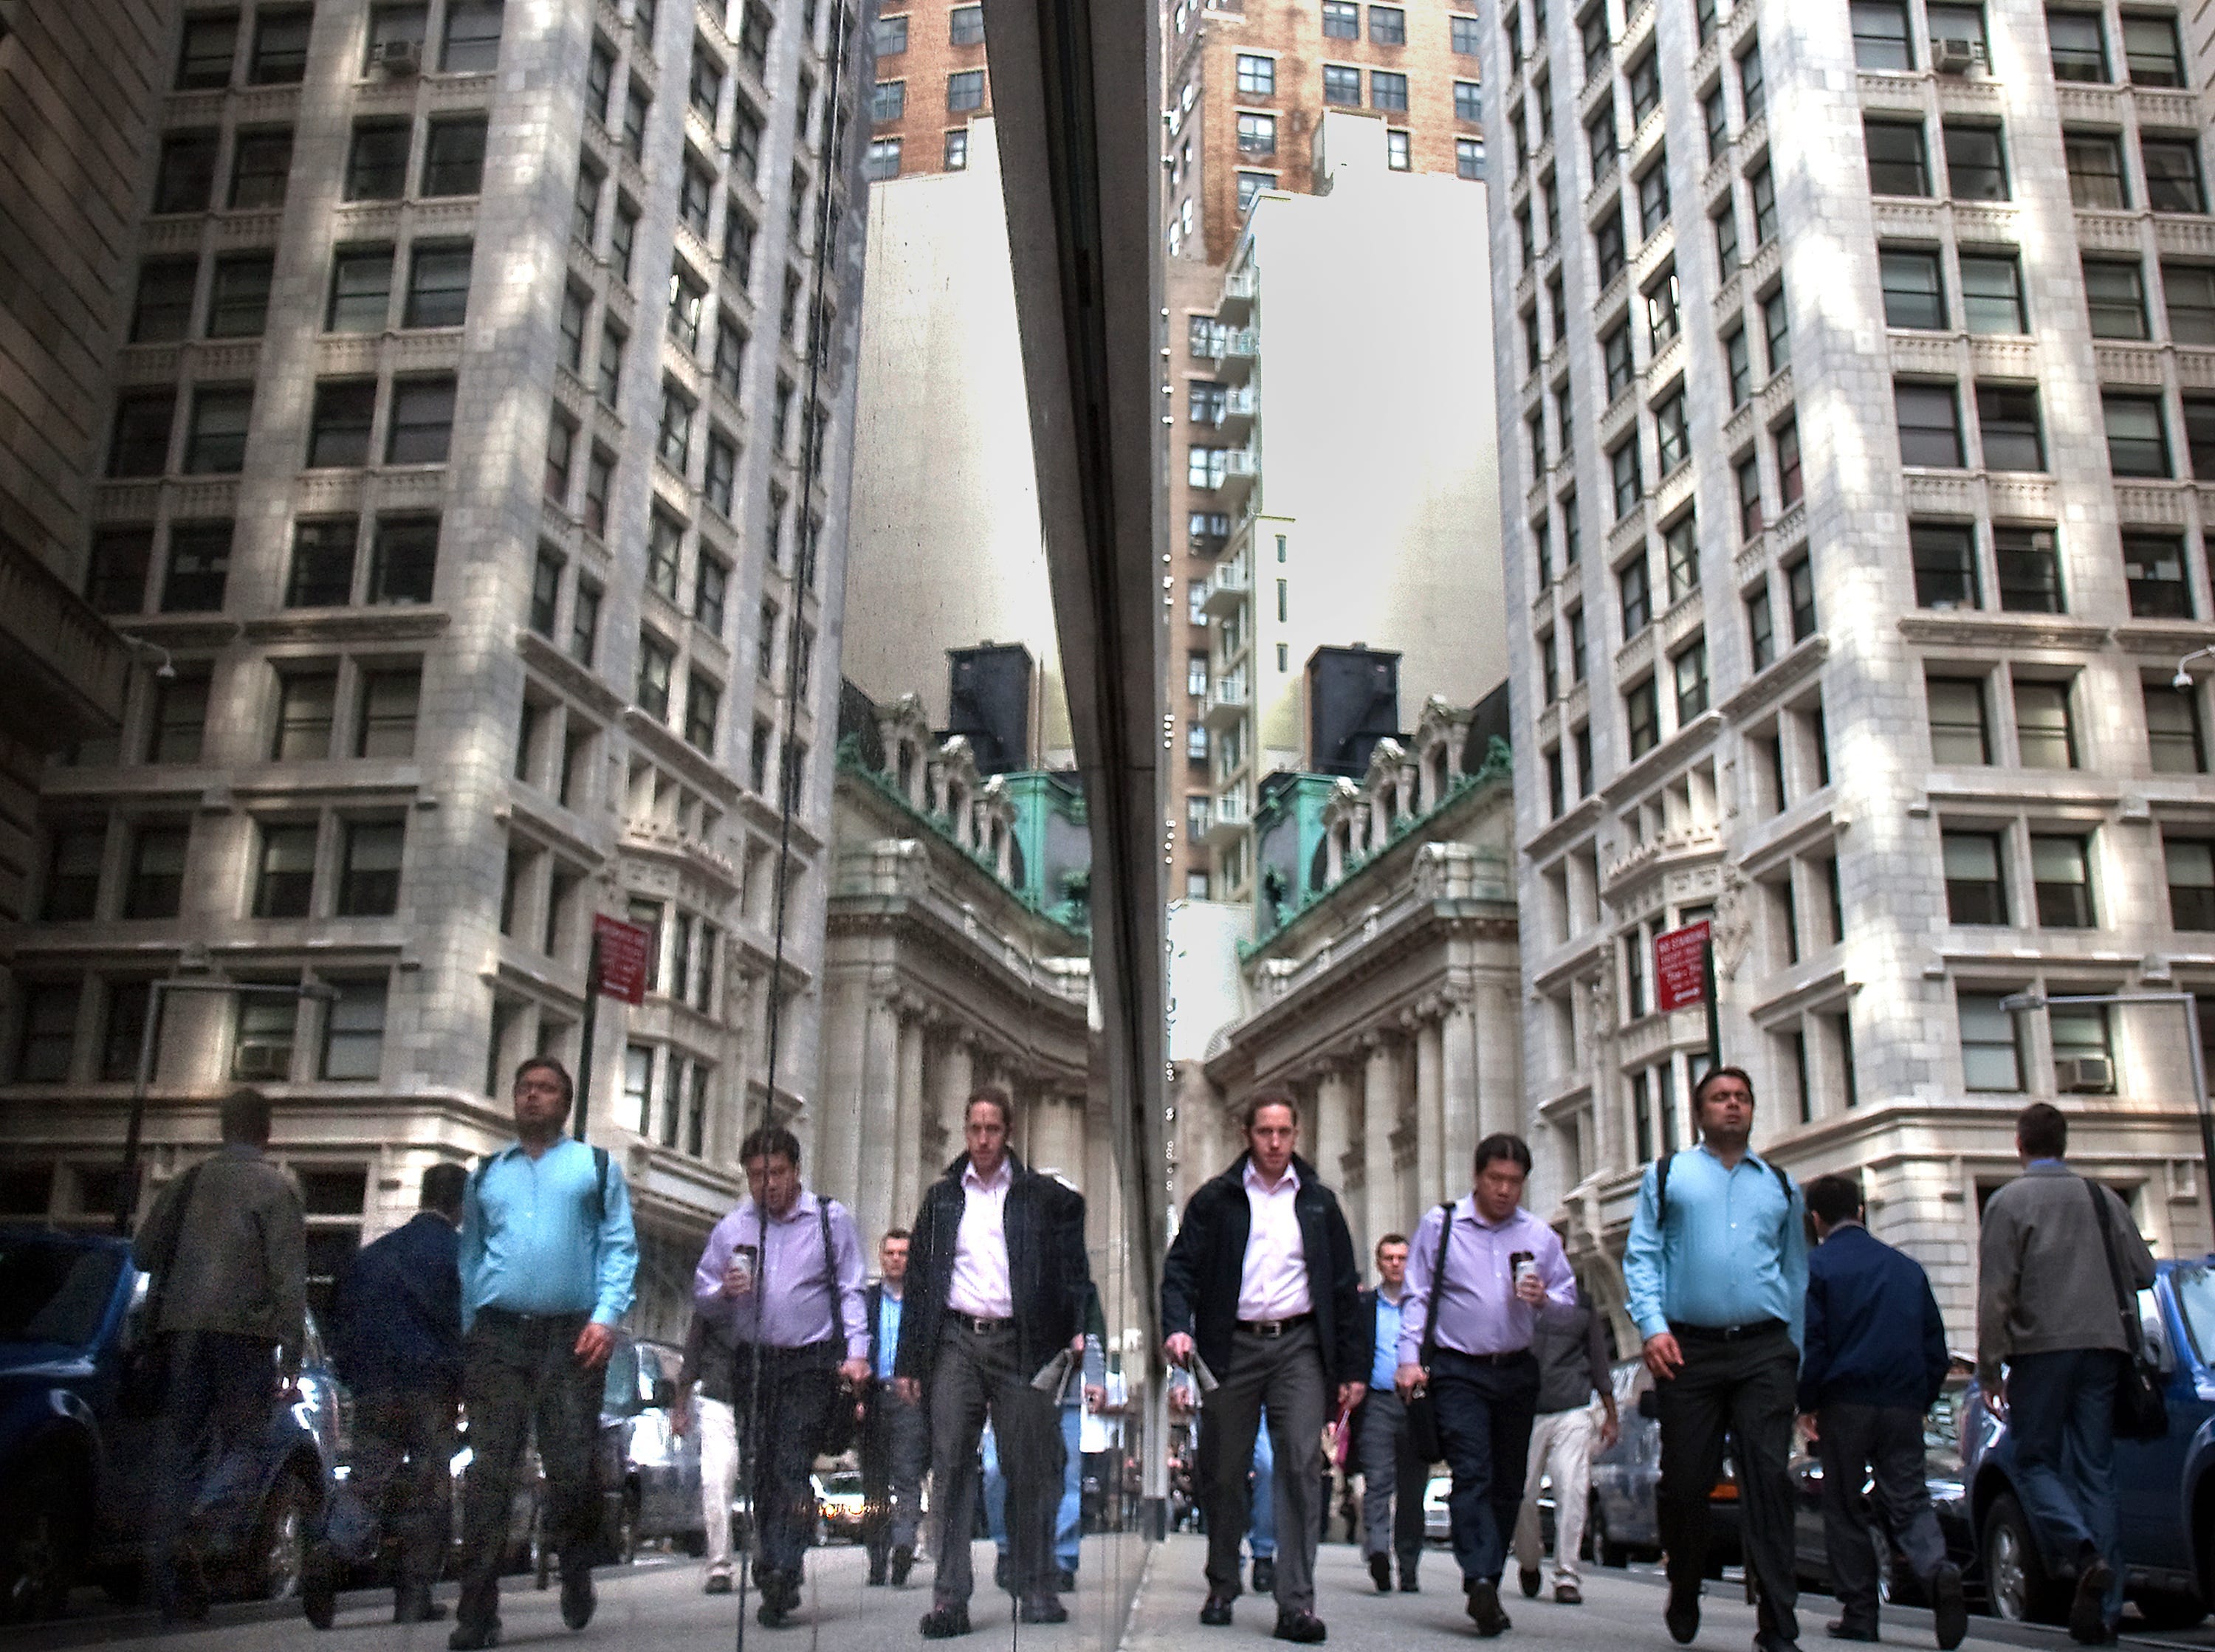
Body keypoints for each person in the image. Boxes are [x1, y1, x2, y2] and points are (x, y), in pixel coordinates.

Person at [1162, 1092, 1364, 1645]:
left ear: (1296, 1135)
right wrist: (1177, 1327)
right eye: (1264, 1132)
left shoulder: (1319, 1204)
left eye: (1284, 1132)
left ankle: (1296, 1602)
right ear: (1247, 1136)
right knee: (1224, 1472)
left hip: (1299, 1346)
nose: (1275, 1142)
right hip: (1231, 1348)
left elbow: (1345, 1291)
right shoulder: (1217, 1201)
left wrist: (1351, 1369)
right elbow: (1179, 1270)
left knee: (1300, 1465)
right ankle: (1223, 1582)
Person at [450, 1057, 638, 1652]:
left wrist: (606, 1317)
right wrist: (471, 1324)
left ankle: (576, 1566)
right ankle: (477, 1613)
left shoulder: (595, 1168)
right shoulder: (485, 1175)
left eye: (547, 1090)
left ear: (566, 1103)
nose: (533, 1098)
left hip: (572, 1337)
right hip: (499, 1336)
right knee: (489, 1475)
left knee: (572, 1470)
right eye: (525, 1088)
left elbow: (619, 1248)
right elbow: (471, 1256)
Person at [894, 1087, 1093, 1639]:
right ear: (966, 1132)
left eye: (993, 1130)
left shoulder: (1042, 1199)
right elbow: (919, 1285)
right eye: (974, 1129)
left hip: (1021, 1346)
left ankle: (1035, 1584)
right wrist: (910, 1361)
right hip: (957, 1340)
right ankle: (950, 1597)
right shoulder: (942, 1200)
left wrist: (1078, 1330)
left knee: (1025, 1466)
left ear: (1008, 1134)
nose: (983, 1140)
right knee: (952, 1461)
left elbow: (1074, 1274)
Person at [1624, 1066, 1808, 1652]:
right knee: (1684, 1485)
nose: (1733, 1106)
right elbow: (1641, 1258)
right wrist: (1651, 1328)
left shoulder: (1780, 1185)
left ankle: (1778, 1624)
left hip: (1763, 1351)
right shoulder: (1668, 1177)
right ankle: (1684, 1583)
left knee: (1769, 1481)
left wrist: (1793, 1352)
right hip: (1687, 1352)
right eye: (1720, 1099)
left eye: (1742, 1098)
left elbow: (1796, 1274)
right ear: (1700, 1112)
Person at [1978, 1102, 2156, 1646]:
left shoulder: (2008, 1202)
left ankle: (2082, 1552)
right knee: (2096, 1469)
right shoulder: (2102, 1199)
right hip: (2105, 1349)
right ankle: (2104, 1609)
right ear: (2066, 1143)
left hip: (2041, 1352)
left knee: (2033, 1459)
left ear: (2020, 1144)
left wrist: (1989, 1368)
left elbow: (1996, 1292)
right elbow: (2145, 1272)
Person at [131, 1087, 308, 1624]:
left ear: (222, 1128)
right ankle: (204, 1515)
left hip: (179, 1331)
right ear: (266, 1132)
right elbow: (287, 1277)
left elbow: (142, 1253)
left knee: (180, 1449)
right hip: (243, 1337)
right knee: (250, 1443)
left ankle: (172, 1565)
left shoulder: (188, 1183)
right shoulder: (276, 1188)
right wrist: (291, 1354)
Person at [1395, 1134, 1573, 1638]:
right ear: (1477, 1177)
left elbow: (1569, 1301)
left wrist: (1544, 1300)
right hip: (1458, 1370)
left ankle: (1488, 1582)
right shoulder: (1442, 1225)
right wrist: (1409, 1360)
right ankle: (1476, 1574)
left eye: (1514, 1182)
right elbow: (1417, 1295)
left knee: (1508, 1482)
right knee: (1471, 1469)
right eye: (1495, 1179)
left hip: (1516, 1369)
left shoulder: (1539, 1235)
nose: (1504, 1191)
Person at [691, 1125, 869, 1628]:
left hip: (809, 1363)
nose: (767, 1184)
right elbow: (701, 1295)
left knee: (790, 1462)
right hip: (753, 1361)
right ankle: (772, 1555)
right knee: (762, 1466)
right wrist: (722, 1290)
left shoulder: (830, 1220)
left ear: (795, 1171)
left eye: (776, 1173)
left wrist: (857, 1354)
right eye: (756, 1176)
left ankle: (784, 1570)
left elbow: (852, 1290)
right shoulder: (732, 1229)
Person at [1799, 1173, 1964, 1650]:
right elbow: (1936, 1349)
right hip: (1900, 1404)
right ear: (1862, 1211)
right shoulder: (1906, 1269)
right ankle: (1937, 1570)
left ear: (1816, 1219)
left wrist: (1807, 1402)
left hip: (1844, 1403)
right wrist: (1921, 1397)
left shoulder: (1818, 1269)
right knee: (1909, 1498)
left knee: (1845, 1505)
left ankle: (1860, 1613)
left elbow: (1815, 1344)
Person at [306, 1162, 468, 1628]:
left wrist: (358, 1377)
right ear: (461, 1205)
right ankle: (414, 1593)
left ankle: (333, 1549)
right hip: (429, 1387)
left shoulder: (374, 1256)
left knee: (367, 1477)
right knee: (430, 1488)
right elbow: (464, 1327)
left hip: (375, 1386)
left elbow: (343, 1321)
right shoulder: (458, 1258)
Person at [1511, 1278, 1619, 1606]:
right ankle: (1529, 1559)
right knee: (1523, 1495)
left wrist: (1611, 1413)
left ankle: (1567, 1575)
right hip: (1524, 1410)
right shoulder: (1513, 1301)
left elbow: (1599, 1359)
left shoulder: (1581, 1303)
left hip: (1572, 1409)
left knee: (1572, 1490)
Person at [1354, 1234, 1427, 1595]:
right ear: (1379, 1263)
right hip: (1378, 1403)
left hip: (1418, 1404)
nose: (1396, 1264)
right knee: (1378, 1482)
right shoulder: (1365, 1306)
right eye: (1389, 1258)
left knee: (1413, 1490)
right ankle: (1380, 1553)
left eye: (1402, 1257)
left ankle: (1410, 1565)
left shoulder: (1424, 1307)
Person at [862, 1228, 927, 1587]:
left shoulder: (922, 1302)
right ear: (881, 1257)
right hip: (873, 1396)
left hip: (909, 1397)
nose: (897, 1259)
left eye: (903, 1253)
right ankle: (877, 1556)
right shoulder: (867, 1300)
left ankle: (903, 1546)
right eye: (890, 1253)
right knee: (874, 1483)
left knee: (906, 1476)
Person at [670, 1287, 742, 1593]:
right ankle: (719, 1565)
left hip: (764, 1400)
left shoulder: (774, 1299)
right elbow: (693, 1354)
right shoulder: (711, 1305)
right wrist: (680, 1405)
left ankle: (773, 1558)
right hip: (718, 1400)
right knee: (716, 1480)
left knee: (769, 1480)